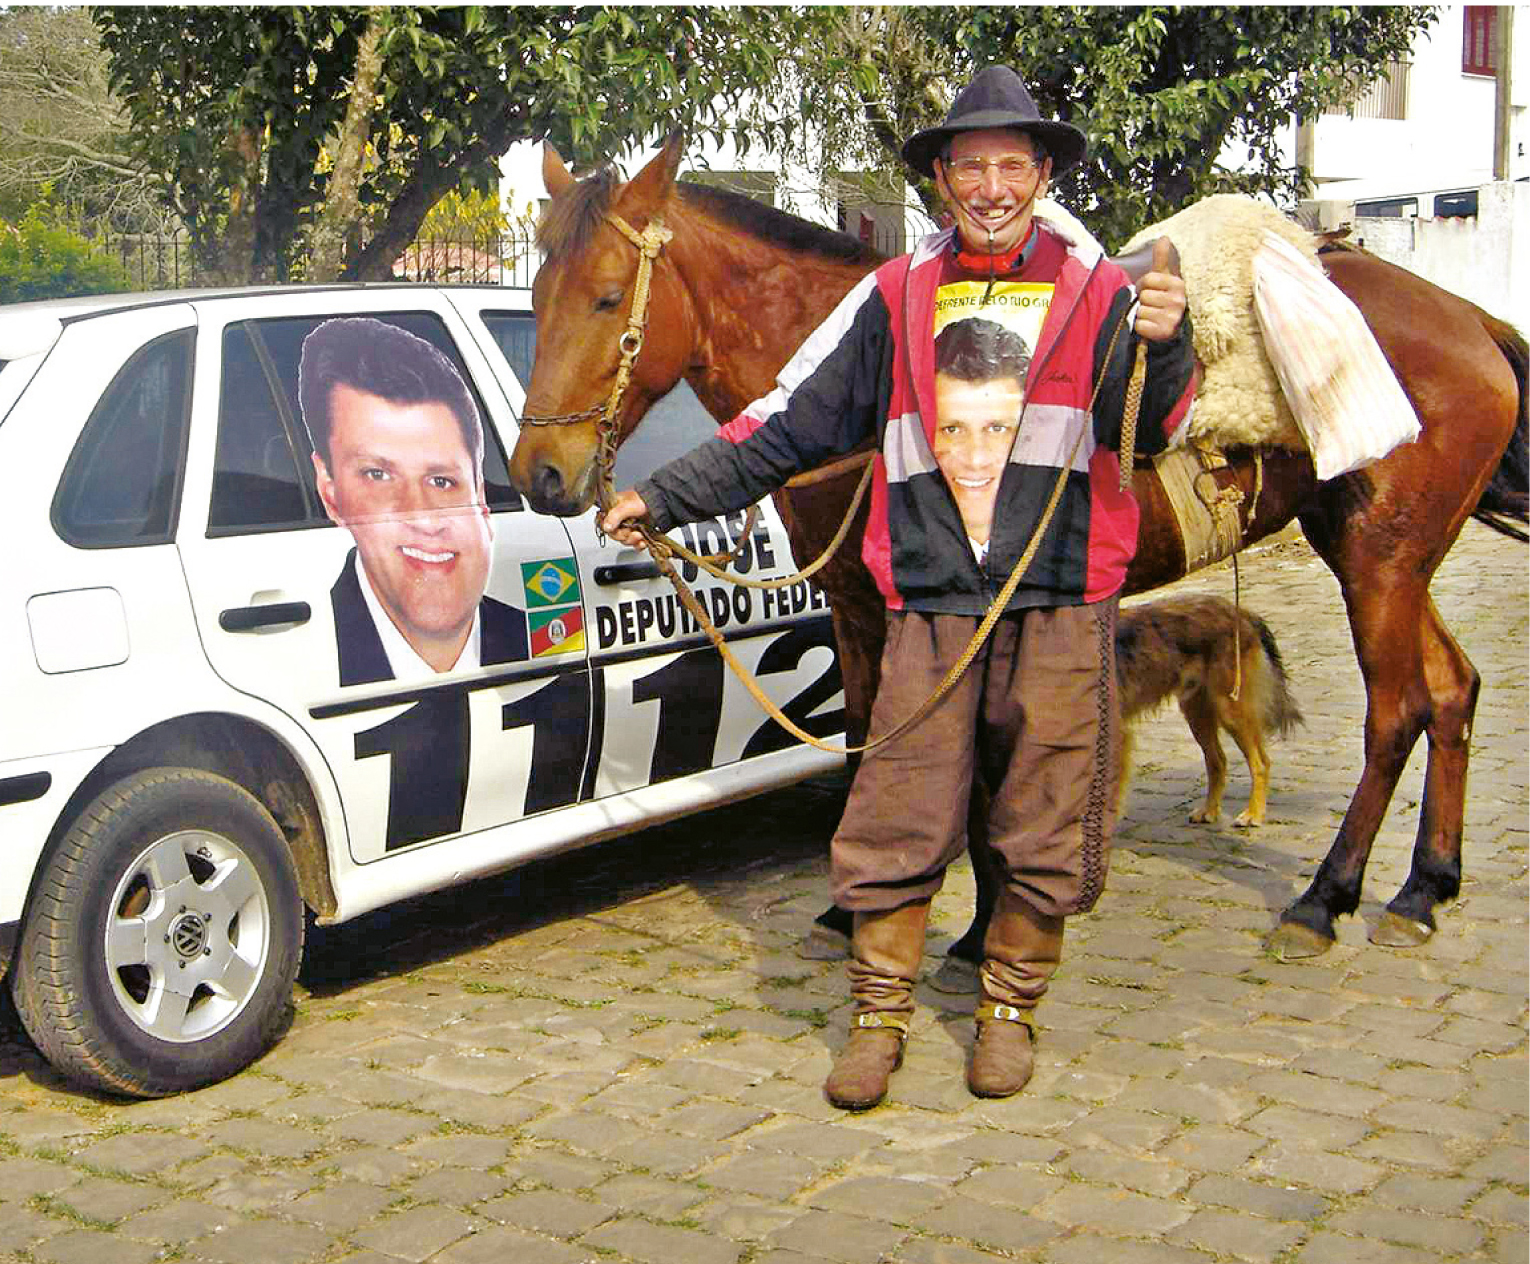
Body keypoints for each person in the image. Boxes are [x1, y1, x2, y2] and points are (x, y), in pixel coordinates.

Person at [602, 65, 1195, 1108]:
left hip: (1058, 597)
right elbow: (787, 424)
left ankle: (1008, 1009)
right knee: (897, 813)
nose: (995, 186)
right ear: (942, 181)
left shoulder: (1101, 291)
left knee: (1043, 816)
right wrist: (664, 497)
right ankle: (878, 1016)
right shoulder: (896, 295)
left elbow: (1149, 427)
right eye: (973, 166)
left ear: (1042, 172)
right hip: (928, 598)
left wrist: (1168, 339)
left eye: (1015, 164)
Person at [298, 317, 528, 686]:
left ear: (481, 496)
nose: (424, 518)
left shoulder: (542, 639)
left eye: (442, 481)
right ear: (330, 491)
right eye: (378, 475)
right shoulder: (307, 661)